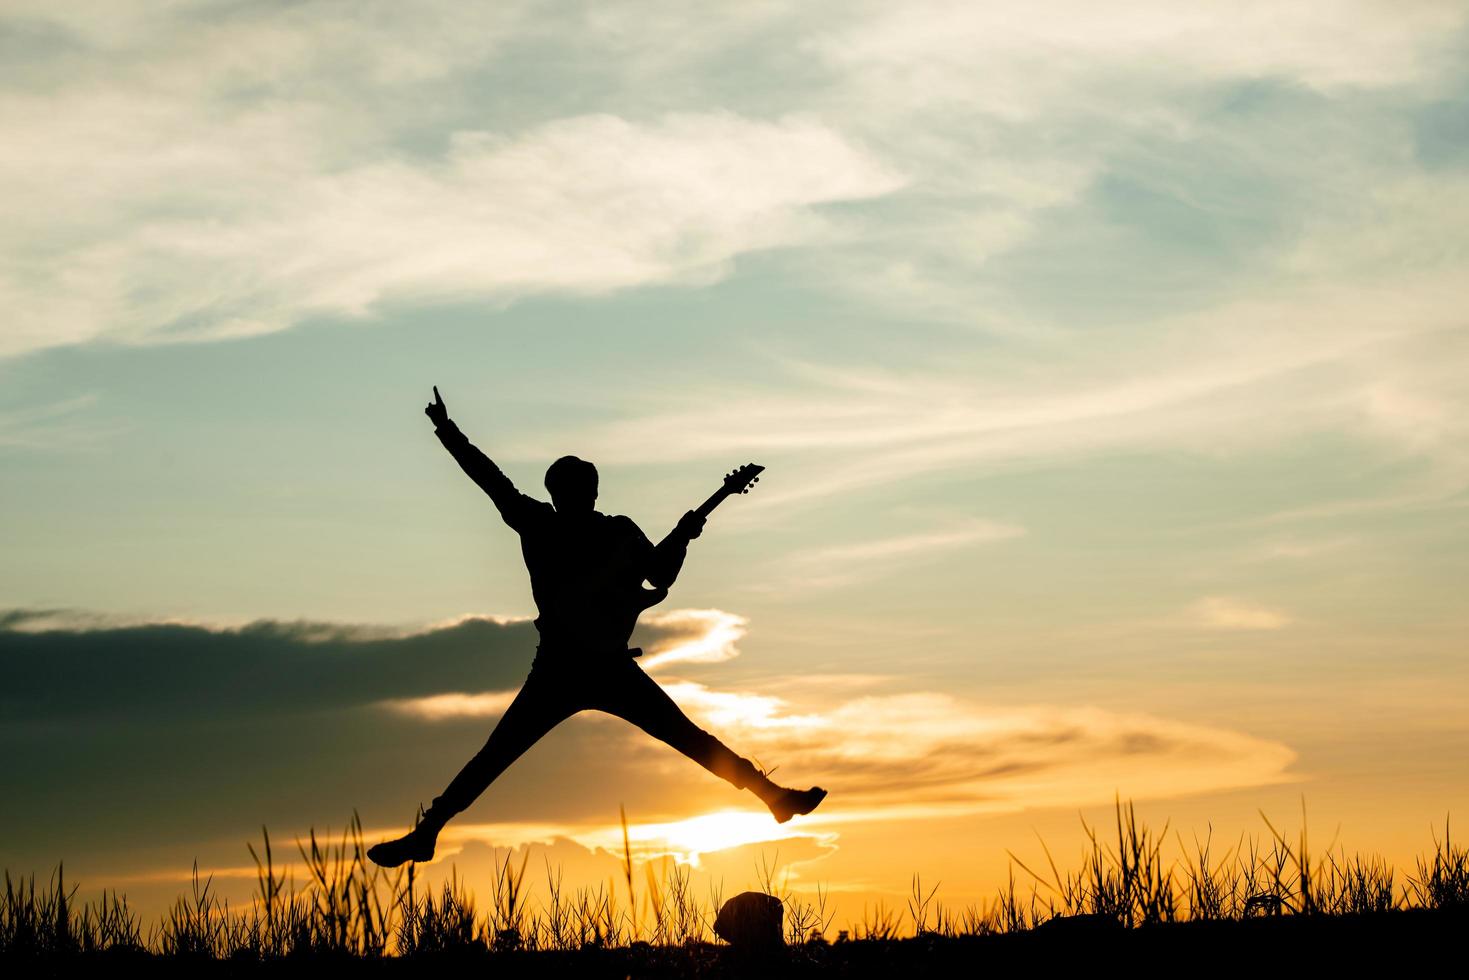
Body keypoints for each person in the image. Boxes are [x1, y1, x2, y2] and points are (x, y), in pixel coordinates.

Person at [367, 387, 826, 867]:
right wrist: (448, 431)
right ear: (562, 493)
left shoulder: (610, 530)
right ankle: (426, 834)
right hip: (560, 669)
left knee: (690, 740)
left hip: (606, 668)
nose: (579, 496)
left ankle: (773, 796)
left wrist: (686, 535)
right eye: (572, 490)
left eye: (582, 489)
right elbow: (488, 477)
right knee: (494, 758)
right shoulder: (543, 523)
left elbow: (659, 573)